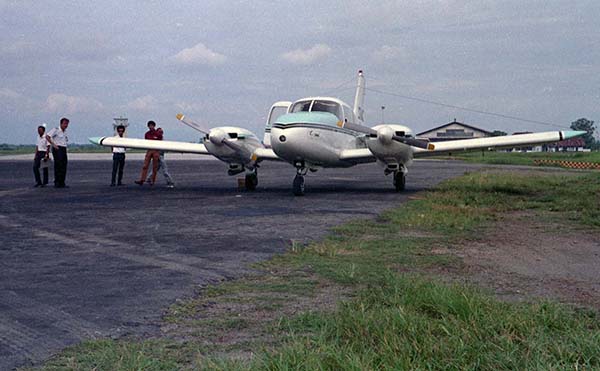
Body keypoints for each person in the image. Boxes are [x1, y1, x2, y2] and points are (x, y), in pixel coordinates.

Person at [135, 120, 162, 186]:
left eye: (152, 126)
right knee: (145, 165)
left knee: (155, 166)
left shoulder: (158, 134)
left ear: (154, 126)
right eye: (149, 126)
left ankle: (153, 181)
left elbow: (161, 142)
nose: (150, 127)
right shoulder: (147, 134)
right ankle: (142, 180)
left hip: (156, 150)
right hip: (149, 150)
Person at [46, 117, 69, 188]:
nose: (66, 125)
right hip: (58, 148)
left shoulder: (65, 132)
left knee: (64, 165)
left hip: (63, 148)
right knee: (58, 165)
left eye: (67, 124)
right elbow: (47, 136)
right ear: (61, 123)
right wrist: (53, 145)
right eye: (65, 124)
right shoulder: (56, 130)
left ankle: (62, 182)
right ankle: (57, 182)